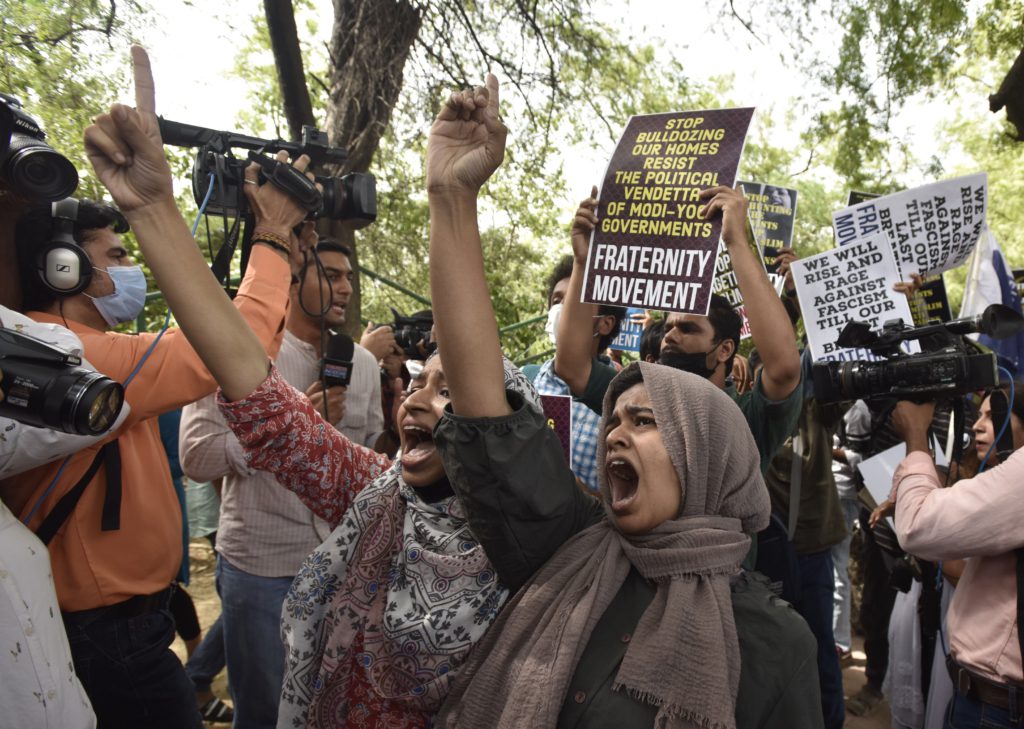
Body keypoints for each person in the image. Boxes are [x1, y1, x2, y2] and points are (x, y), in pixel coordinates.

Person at [82, 50, 591, 728]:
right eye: (418, 383)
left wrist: (454, 200)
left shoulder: (532, 547)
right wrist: (151, 210)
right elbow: (247, 381)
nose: (416, 401)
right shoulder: (377, 493)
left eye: (451, 394)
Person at [423, 81, 821, 729]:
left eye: (645, 420)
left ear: (713, 457)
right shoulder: (569, 540)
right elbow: (487, 403)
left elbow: (783, 366)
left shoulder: (777, 647)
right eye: (614, 418)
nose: (613, 434)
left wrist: (739, 243)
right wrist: (452, 198)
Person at [0, 45, 314, 728]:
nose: (125, 268)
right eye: (114, 255)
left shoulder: (93, 350)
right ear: (59, 267)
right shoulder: (63, 357)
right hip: (106, 634)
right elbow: (224, 356)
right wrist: (273, 236)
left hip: (128, 624)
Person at [178, 235, 386, 729]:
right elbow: (196, 457)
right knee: (265, 709)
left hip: (344, 567)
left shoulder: (365, 365)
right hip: (260, 569)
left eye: (349, 277)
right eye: (331, 275)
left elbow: (375, 449)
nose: (346, 288)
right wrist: (283, 433)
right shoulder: (238, 355)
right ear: (292, 283)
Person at [553, 186, 802, 476]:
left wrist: (736, 241)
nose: (670, 336)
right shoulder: (636, 397)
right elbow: (572, 367)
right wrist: (585, 264)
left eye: (687, 328)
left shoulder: (747, 416)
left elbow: (784, 368)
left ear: (725, 349)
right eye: (669, 326)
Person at [890, 385, 1024, 729]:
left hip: (997, 706)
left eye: (993, 417)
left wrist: (916, 434)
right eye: (977, 415)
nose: (978, 426)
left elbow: (918, 526)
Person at [521, 254, 625, 491]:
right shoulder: (525, 378)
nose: (562, 309)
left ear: (605, 323)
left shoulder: (621, 394)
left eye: (575, 301)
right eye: (557, 301)